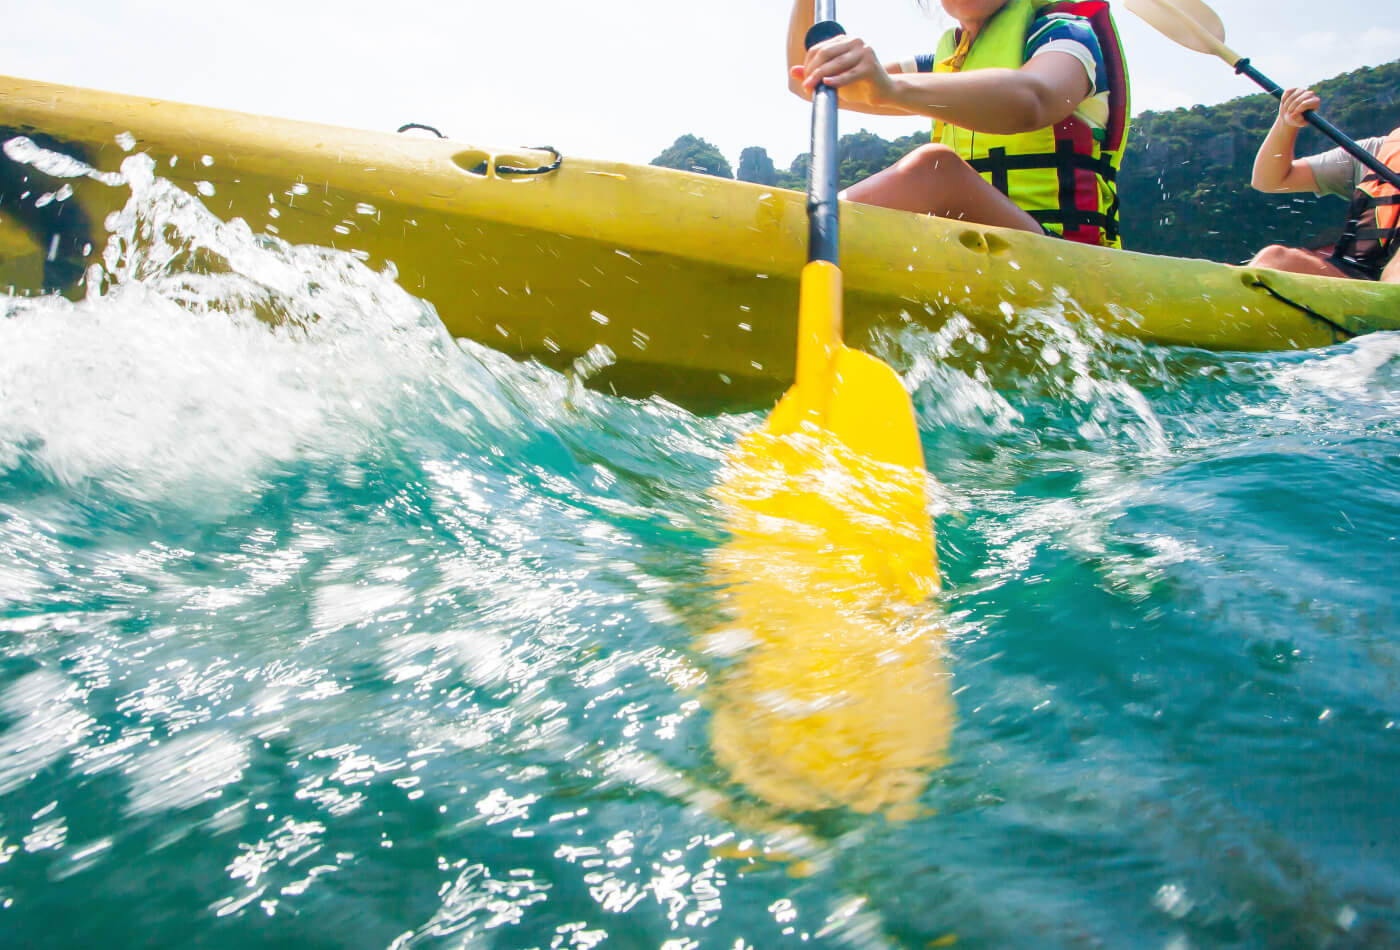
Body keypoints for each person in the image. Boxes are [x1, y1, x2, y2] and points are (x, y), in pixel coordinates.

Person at [786, 0, 1131, 248]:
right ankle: (797, 237)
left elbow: (1034, 100)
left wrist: (888, 89)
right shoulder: (945, 61)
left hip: (1067, 259)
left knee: (935, 170)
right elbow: (806, 80)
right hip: (975, 250)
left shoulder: (1066, 35)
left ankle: (796, 238)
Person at [1247, 88, 1400, 283]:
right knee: (1275, 259)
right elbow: (1269, 180)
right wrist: (1286, 123)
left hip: (1392, 297)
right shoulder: (1372, 153)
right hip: (1355, 284)